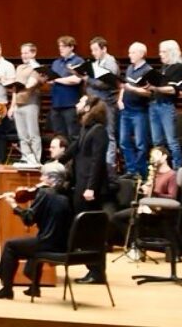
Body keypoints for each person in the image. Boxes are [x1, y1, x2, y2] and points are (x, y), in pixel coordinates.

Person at [0, 162, 73, 300]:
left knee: (10, 246)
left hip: (48, 244)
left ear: (51, 178)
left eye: (43, 176)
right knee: (33, 243)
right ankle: (34, 288)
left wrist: (14, 206)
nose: (40, 179)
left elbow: (29, 219)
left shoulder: (45, 193)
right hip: (64, 244)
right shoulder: (67, 193)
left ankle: (6, 289)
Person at [58, 96, 109, 284]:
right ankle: (92, 269)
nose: (76, 104)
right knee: (84, 230)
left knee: (91, 231)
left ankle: (97, 272)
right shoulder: (86, 128)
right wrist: (55, 163)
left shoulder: (99, 131)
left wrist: (91, 188)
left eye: (80, 102)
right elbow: (73, 150)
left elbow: (97, 162)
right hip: (81, 184)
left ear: (88, 107)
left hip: (89, 188)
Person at [110, 145, 180, 246]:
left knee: (129, 218)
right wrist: (143, 188)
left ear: (164, 157)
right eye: (152, 156)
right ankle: (134, 243)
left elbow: (172, 197)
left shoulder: (172, 175)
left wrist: (154, 193)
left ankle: (136, 244)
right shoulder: (153, 173)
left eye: (156, 155)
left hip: (160, 210)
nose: (153, 158)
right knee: (116, 217)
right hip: (146, 207)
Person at [148, 40, 182, 169]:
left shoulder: (178, 67)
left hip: (166, 105)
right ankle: (159, 168)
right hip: (154, 104)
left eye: (163, 52)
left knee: (172, 141)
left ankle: (177, 169)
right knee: (156, 141)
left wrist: (156, 88)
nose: (160, 54)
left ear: (172, 52)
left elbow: (173, 89)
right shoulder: (163, 67)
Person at [86, 37, 121, 175]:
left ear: (104, 49)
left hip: (107, 103)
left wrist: (89, 79)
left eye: (95, 50)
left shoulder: (111, 62)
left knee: (108, 134)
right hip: (96, 102)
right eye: (92, 50)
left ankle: (109, 166)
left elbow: (105, 83)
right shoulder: (96, 63)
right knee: (94, 133)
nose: (93, 53)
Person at [118, 42, 152, 178]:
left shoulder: (148, 70)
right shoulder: (130, 68)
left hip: (139, 111)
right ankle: (131, 169)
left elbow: (148, 92)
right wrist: (120, 99)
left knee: (141, 144)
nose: (129, 55)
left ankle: (141, 171)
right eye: (129, 52)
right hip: (126, 110)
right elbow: (124, 85)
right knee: (123, 142)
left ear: (141, 54)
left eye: (132, 52)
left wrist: (132, 89)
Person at [9, 43, 45, 165]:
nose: (23, 55)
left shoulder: (37, 67)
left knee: (32, 133)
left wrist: (24, 84)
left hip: (30, 103)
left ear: (33, 53)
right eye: (22, 53)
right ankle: (26, 157)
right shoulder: (19, 67)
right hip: (18, 103)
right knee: (22, 134)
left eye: (26, 53)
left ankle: (36, 158)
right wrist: (12, 106)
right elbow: (15, 89)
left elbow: (31, 83)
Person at [49, 36, 85, 143]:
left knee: (73, 135)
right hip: (56, 104)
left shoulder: (78, 61)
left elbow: (76, 79)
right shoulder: (56, 62)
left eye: (63, 46)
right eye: (59, 46)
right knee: (59, 136)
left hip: (70, 104)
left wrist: (57, 79)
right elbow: (51, 78)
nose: (61, 49)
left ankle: (74, 154)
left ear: (71, 47)